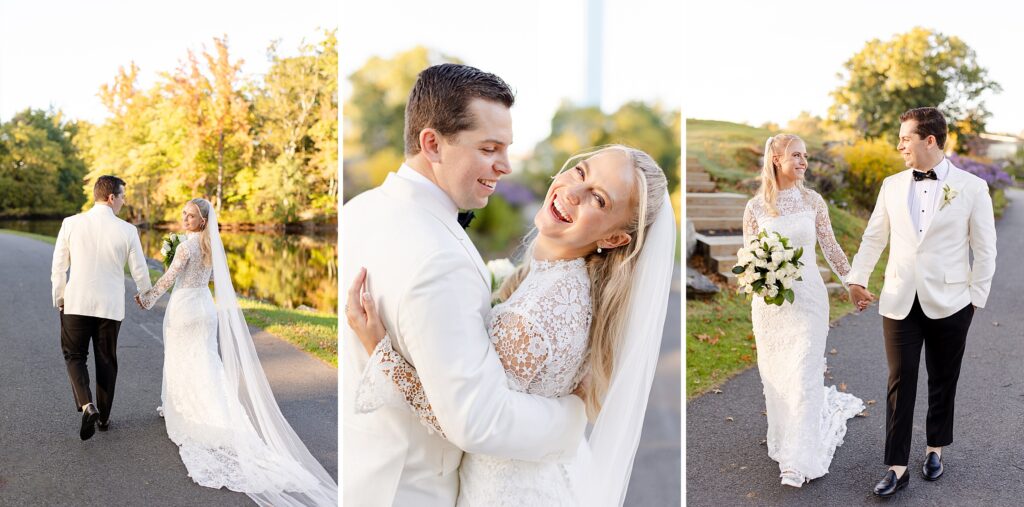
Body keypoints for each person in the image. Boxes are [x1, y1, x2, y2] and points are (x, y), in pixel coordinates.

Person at [347, 144, 674, 505]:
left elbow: (468, 422)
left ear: (614, 239)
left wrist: (381, 351)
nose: (573, 193)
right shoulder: (566, 282)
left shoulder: (538, 313)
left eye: (598, 199)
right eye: (581, 172)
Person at [135, 198, 338, 506]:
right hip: (205, 307)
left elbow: (168, 280)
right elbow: (217, 280)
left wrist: (147, 298)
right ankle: (203, 407)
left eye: (191, 216)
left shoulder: (185, 248)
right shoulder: (211, 247)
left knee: (183, 359)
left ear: (202, 221)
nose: (185, 218)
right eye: (184, 214)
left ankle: (185, 409)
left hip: (186, 308)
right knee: (206, 360)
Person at [847, 107, 997, 498]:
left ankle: (934, 449)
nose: (899, 145)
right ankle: (897, 467)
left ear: (930, 140)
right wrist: (857, 278)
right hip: (899, 298)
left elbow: (986, 250)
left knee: (943, 380)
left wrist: (974, 301)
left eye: (905, 138)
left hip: (952, 302)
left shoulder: (972, 187)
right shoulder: (891, 185)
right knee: (900, 381)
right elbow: (874, 237)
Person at [741, 134, 865, 487]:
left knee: (804, 373)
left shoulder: (813, 201)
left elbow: (830, 245)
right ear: (776, 159)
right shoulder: (756, 208)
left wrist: (851, 282)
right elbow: (749, 258)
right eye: (796, 155)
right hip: (771, 307)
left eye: (806, 156)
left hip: (809, 299)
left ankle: (798, 459)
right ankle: (787, 436)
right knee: (778, 375)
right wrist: (760, 281)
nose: (804, 161)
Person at [51, 175, 152, 440]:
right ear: (111, 198)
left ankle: (88, 405)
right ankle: (104, 418)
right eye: (122, 197)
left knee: (74, 355)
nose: (123, 202)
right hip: (109, 305)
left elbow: (59, 265)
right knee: (106, 359)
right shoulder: (128, 230)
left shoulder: (71, 223)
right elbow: (139, 270)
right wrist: (146, 296)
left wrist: (60, 297)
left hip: (77, 301)